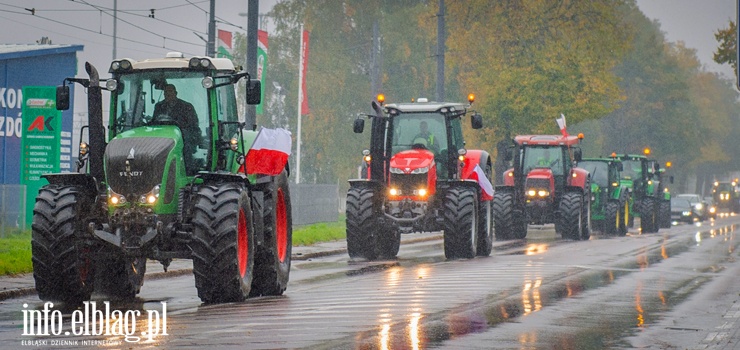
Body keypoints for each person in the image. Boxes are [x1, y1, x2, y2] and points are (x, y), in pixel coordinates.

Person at [152, 84, 203, 173]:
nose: (168, 94)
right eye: (166, 92)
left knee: (186, 141)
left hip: (181, 134)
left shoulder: (186, 106)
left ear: (175, 93)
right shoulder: (159, 106)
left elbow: (193, 124)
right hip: (162, 134)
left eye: (170, 92)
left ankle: (188, 169)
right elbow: (154, 121)